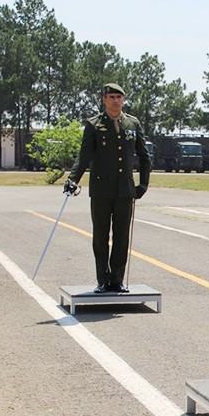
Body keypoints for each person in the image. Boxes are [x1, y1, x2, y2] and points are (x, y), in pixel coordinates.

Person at [64, 83, 151, 293]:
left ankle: (117, 280)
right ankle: (102, 279)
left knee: (121, 237)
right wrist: (73, 179)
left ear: (123, 100)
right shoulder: (94, 125)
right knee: (101, 236)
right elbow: (84, 156)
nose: (115, 101)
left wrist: (143, 184)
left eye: (119, 97)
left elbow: (144, 156)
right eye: (111, 97)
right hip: (101, 190)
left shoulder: (132, 123)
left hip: (125, 191)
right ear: (104, 99)